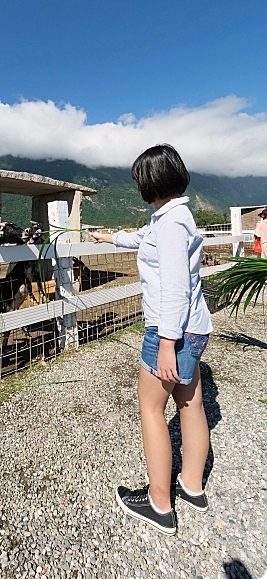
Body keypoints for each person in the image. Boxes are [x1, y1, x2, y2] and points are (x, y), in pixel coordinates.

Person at [90, 144, 212, 535]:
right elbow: (141, 238)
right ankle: (192, 485)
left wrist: (164, 344)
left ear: (149, 182)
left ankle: (159, 503)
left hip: (170, 329)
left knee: (150, 407)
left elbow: (175, 288)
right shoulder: (171, 218)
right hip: (191, 329)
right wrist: (107, 237)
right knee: (190, 404)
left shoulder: (173, 224)